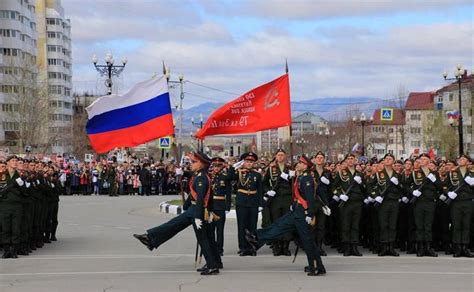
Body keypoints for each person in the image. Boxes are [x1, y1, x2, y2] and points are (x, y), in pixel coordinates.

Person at [133, 152, 221, 275]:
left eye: (194, 162)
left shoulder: (201, 178)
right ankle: (151, 238)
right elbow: (192, 176)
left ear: (201, 164)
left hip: (198, 211)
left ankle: (212, 266)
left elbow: (201, 199)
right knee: (176, 225)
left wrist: (198, 217)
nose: (191, 164)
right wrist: (182, 172)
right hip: (194, 210)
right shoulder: (200, 175)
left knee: (203, 238)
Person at [246, 155, 326, 276]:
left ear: (305, 166)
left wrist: (310, 213)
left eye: (300, 163)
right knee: (279, 225)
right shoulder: (300, 177)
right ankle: (256, 236)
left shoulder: (307, 178)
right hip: (296, 210)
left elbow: (310, 198)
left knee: (307, 241)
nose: (297, 164)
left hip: (302, 214)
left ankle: (315, 266)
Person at [407, 153, 443, 257]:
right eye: (420, 159)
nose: (421, 160)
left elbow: (440, 187)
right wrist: (412, 191)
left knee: (428, 225)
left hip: (430, 202)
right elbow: (405, 185)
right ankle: (420, 248)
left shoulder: (434, 173)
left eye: (424, 159)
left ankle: (428, 247)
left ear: (429, 160)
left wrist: (435, 180)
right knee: (419, 226)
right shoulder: (415, 173)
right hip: (418, 202)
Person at [227, 152, 263, 256]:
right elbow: (229, 177)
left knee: (252, 225)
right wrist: (232, 166)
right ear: (243, 162)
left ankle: (251, 247)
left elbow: (260, 190)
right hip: (242, 201)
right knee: (242, 225)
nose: (249, 164)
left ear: (254, 163)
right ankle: (242, 247)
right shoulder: (239, 173)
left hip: (253, 202)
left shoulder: (257, 175)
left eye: (251, 162)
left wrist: (260, 204)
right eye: (247, 161)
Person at [368, 153, 403, 256]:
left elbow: (403, 189)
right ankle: (384, 247)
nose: (388, 160)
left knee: (392, 225)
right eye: (386, 159)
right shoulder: (379, 174)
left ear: (393, 161)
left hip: (394, 201)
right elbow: (370, 186)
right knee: (383, 224)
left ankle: (391, 247)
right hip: (383, 202)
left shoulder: (398, 175)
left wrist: (398, 184)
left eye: (390, 159)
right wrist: (375, 196)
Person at [332, 153, 367, 256]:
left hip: (357, 202)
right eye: (348, 159)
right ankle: (347, 247)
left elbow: (365, 189)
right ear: (346, 161)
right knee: (346, 225)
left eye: (352, 159)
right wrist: (339, 195)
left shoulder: (359, 174)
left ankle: (354, 247)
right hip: (346, 203)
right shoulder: (341, 173)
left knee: (355, 225)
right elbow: (333, 187)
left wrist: (360, 183)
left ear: (355, 160)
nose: (350, 161)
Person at [262, 149, 294, 256]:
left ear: (285, 156)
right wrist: (268, 191)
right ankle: (276, 247)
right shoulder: (271, 169)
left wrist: (291, 177)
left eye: (282, 155)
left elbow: (294, 185)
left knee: (287, 223)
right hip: (275, 199)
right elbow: (264, 183)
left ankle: (285, 246)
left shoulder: (290, 169)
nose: (280, 157)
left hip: (287, 198)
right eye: (278, 155)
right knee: (276, 222)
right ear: (276, 157)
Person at [447, 154, 474, 257]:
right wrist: (448, 193)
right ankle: (457, 248)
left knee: (466, 225)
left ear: (467, 162)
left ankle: (465, 247)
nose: (460, 160)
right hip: (456, 202)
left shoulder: (472, 173)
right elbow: (447, 186)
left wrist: (472, 185)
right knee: (456, 225)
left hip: (467, 201)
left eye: (463, 159)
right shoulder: (452, 173)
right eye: (459, 159)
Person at [209, 157, 232, 256]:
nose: (216, 168)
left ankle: (219, 249)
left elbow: (229, 193)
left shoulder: (225, 177)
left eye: (218, 166)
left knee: (220, 230)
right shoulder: (208, 177)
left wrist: (227, 207)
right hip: (210, 206)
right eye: (215, 166)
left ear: (221, 167)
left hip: (220, 206)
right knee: (210, 229)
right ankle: (211, 247)